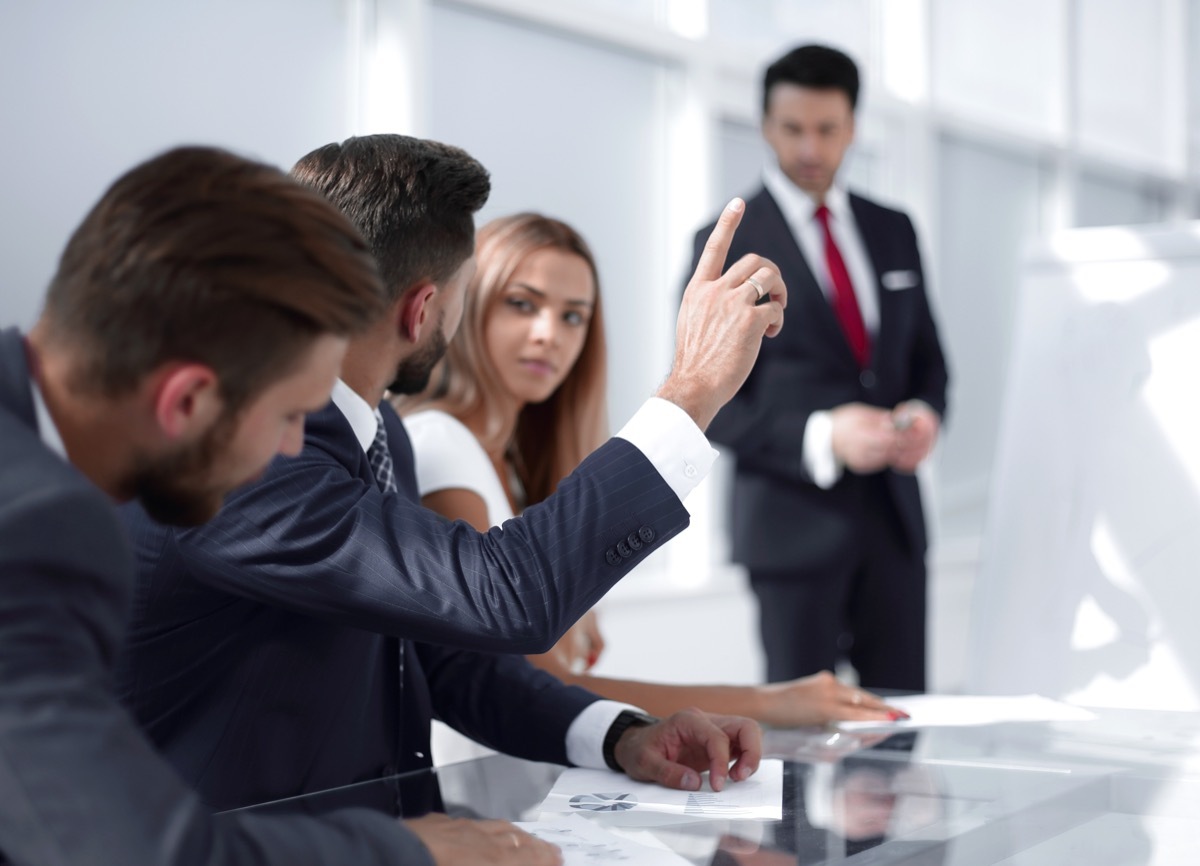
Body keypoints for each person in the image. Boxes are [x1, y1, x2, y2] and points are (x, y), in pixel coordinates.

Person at [116, 134, 774, 813]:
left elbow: (441, 656)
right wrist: (693, 388)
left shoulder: (381, 435)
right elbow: (505, 594)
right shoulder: (234, 459)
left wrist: (620, 734)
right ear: (422, 308)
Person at [0, 145, 564, 866]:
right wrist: (403, 851)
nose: (303, 443)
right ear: (190, 402)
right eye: (293, 414)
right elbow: (136, 850)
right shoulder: (37, 527)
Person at [399, 212, 905, 727]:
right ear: (469, 302)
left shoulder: (509, 467)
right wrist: (774, 703)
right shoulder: (442, 445)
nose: (549, 334)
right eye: (521, 304)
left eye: (574, 316)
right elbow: (534, 688)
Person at [690, 45, 949, 691]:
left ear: (853, 127)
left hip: (893, 523)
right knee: (796, 748)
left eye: (827, 130)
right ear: (765, 126)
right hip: (789, 532)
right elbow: (709, 399)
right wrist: (823, 436)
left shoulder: (893, 229)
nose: (810, 147)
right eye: (792, 129)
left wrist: (922, 414)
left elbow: (929, 362)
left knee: (902, 718)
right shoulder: (726, 247)